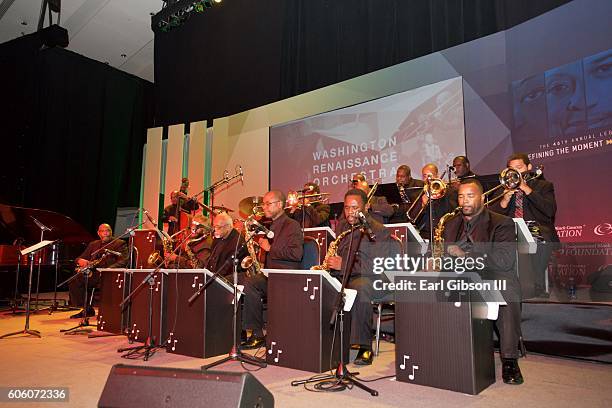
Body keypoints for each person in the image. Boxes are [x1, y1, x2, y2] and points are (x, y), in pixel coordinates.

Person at [443, 179, 523, 384]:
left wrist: (465, 256)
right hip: (460, 277)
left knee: (508, 292)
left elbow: (504, 261)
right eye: (461, 196)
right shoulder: (451, 224)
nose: (464, 201)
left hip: (491, 275)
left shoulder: (501, 222)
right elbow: (445, 255)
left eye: (470, 196)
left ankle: (510, 360)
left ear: (482, 198)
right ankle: (441, 352)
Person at [327, 188, 394, 365]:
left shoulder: (379, 230)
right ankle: (325, 341)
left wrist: (344, 265)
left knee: (359, 287)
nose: (350, 212)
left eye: (355, 208)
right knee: (321, 284)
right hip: (345, 274)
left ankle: (365, 347)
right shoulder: (342, 226)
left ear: (366, 208)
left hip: (370, 278)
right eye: (347, 207)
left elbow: (375, 267)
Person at [241, 190, 304, 349]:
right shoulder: (270, 225)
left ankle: (274, 332)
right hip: (271, 275)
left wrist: (270, 248)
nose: (264, 207)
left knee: (253, 283)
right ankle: (257, 334)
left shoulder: (292, 225)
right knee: (249, 283)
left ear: (280, 205)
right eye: (264, 203)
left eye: (268, 204)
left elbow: (296, 254)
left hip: (286, 277)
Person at [492, 153, 560, 296]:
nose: (516, 172)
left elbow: (549, 210)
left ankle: (537, 286)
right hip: (510, 229)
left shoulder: (543, 186)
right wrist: (504, 201)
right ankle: (504, 286)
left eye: (519, 167)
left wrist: (526, 189)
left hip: (534, 228)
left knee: (539, 240)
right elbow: (490, 216)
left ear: (529, 167)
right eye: (512, 169)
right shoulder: (504, 187)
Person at [69, 224, 127, 318]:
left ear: (111, 231)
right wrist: (80, 261)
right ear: (98, 233)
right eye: (102, 231)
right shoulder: (93, 244)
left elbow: (123, 261)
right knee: (74, 280)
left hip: (109, 274)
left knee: (84, 279)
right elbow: (80, 258)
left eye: (107, 230)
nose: (105, 233)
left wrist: (108, 270)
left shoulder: (119, 243)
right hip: (94, 273)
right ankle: (86, 308)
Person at [408, 163, 457, 242]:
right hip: (425, 236)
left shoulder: (450, 192)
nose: (427, 179)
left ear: (437, 176)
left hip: (446, 235)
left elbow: (453, 213)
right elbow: (412, 218)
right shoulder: (418, 194)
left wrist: (441, 195)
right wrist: (422, 203)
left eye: (430, 176)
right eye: (424, 176)